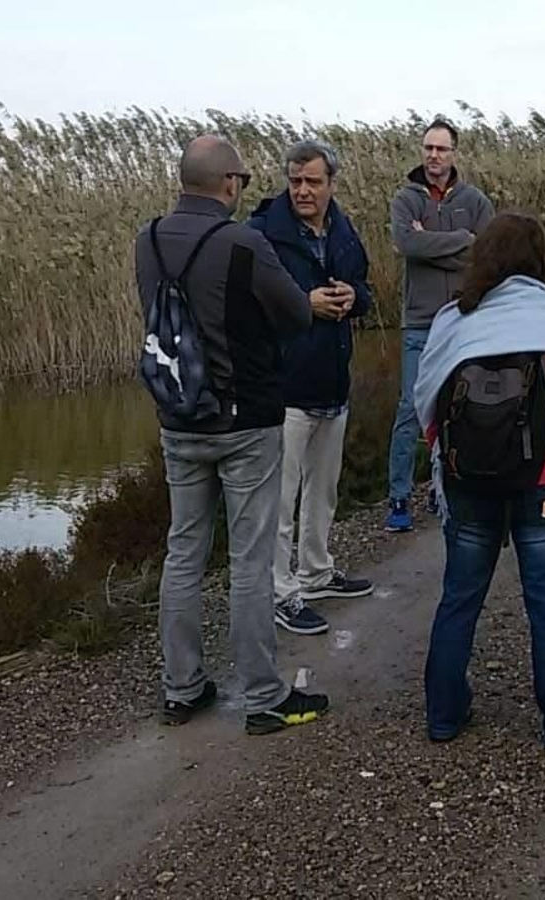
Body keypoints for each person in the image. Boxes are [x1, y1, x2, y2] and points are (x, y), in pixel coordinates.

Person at [134, 135, 331, 736]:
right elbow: (296, 313)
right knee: (249, 560)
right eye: (241, 180)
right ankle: (264, 698)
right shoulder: (243, 243)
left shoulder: (147, 240)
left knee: (184, 552)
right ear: (227, 182)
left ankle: (182, 688)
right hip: (245, 423)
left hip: (178, 420)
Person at [412, 212, 545, 752]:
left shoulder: (456, 320)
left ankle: (444, 716)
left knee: (459, 597)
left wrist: (446, 459)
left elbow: (427, 398)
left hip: (468, 481)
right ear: (539, 260)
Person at [248, 139, 376, 639]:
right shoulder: (263, 233)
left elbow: (364, 287)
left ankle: (316, 573)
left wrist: (351, 297)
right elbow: (248, 302)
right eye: (295, 180)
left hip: (332, 379)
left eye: (313, 182)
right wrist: (306, 303)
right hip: (284, 387)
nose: (303, 190)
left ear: (331, 184)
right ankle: (281, 592)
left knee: (323, 491)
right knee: (280, 501)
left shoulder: (343, 229)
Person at [384, 118, 497, 533]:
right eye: (428, 147)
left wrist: (433, 245)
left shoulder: (475, 200)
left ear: (454, 153)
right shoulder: (406, 199)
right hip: (419, 321)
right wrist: (463, 240)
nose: (434, 155)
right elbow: (407, 244)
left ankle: (443, 484)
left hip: (463, 319)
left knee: (458, 406)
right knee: (410, 408)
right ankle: (398, 496)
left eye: (442, 148)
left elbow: (486, 255)